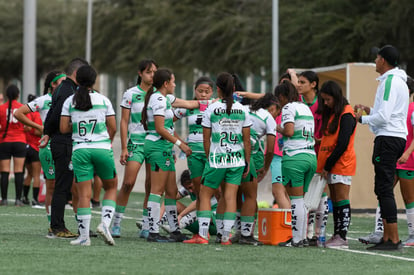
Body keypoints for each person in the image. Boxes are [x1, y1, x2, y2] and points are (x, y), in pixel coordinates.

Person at [184, 72, 251, 245]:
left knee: (205, 195)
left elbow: (206, 139)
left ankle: (203, 235)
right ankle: (225, 237)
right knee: (230, 197)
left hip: (217, 158)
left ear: (218, 90)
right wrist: (247, 162)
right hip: (237, 159)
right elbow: (246, 140)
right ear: (234, 89)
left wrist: (209, 158)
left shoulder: (211, 109)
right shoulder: (242, 109)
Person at [355, 45, 409, 251]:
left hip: (388, 139)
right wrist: (371, 111)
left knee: (384, 188)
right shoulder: (399, 81)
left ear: (384, 61)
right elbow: (388, 112)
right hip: (395, 137)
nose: (375, 61)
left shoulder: (389, 82)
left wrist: (361, 119)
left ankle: (393, 239)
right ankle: (387, 238)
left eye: (377, 58)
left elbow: (384, 117)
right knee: (383, 188)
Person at [60, 65, 117, 246]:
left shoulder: (70, 101)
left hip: (80, 150)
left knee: (83, 194)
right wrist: (106, 142)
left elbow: (63, 129)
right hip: (101, 148)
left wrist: (76, 125)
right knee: (111, 187)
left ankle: (84, 237)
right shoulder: (103, 100)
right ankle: (105, 224)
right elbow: (113, 126)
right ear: (94, 81)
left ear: (77, 79)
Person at [40, 58, 89, 238]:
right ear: (77, 73)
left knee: (68, 185)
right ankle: (57, 226)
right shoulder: (68, 90)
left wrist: (47, 132)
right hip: (64, 142)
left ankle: (68, 225)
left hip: (63, 141)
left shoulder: (64, 88)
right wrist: (50, 132)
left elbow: (52, 113)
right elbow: (57, 115)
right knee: (62, 186)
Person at [141, 68, 192, 242]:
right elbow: (160, 128)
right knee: (157, 191)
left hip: (164, 148)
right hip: (156, 147)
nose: (175, 84)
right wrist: (181, 145)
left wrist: (213, 102)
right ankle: (152, 232)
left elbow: (188, 104)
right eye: (173, 81)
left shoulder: (166, 98)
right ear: (165, 83)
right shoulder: (159, 99)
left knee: (171, 191)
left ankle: (175, 231)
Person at [111, 59, 158, 239]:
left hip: (155, 143)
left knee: (150, 186)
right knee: (128, 183)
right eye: (148, 72)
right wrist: (124, 147)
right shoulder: (131, 93)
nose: (152, 75)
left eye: (154, 72)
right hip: (136, 144)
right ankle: (116, 223)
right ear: (140, 73)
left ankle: (146, 225)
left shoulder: (158, 94)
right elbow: (124, 121)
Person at [14, 71, 66, 232]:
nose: (65, 85)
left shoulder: (69, 99)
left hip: (66, 146)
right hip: (48, 147)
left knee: (72, 186)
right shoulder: (44, 101)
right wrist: (39, 127)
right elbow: (18, 113)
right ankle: (53, 224)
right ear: (53, 84)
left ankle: (82, 226)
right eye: (62, 82)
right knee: (51, 186)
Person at [275, 80, 316, 247]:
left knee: (296, 200)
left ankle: (297, 239)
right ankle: (303, 237)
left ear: (283, 96)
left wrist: (278, 128)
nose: (278, 102)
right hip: (310, 156)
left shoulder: (288, 108)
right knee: (301, 200)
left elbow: (290, 131)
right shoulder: (305, 107)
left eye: (279, 98)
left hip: (294, 157)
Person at [317, 81, 357, 248]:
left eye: (328, 100)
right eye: (324, 100)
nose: (326, 103)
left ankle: (342, 236)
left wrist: (328, 165)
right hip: (332, 164)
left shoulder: (347, 114)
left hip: (342, 163)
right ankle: (337, 235)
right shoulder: (335, 113)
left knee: (341, 199)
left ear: (336, 97)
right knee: (335, 199)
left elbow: (342, 144)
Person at [0, 85, 26, 206]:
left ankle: (4, 199)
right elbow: (28, 126)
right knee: (19, 171)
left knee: (4, 171)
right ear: (18, 95)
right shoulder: (22, 107)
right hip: (20, 141)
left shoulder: (1, 108)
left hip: (4, 141)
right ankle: (18, 199)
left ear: (6, 95)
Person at [21, 94, 43, 206]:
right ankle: (35, 199)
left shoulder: (24, 114)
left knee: (29, 174)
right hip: (35, 146)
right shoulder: (37, 114)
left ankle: (24, 197)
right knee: (36, 175)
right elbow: (38, 131)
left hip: (26, 146)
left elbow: (26, 128)